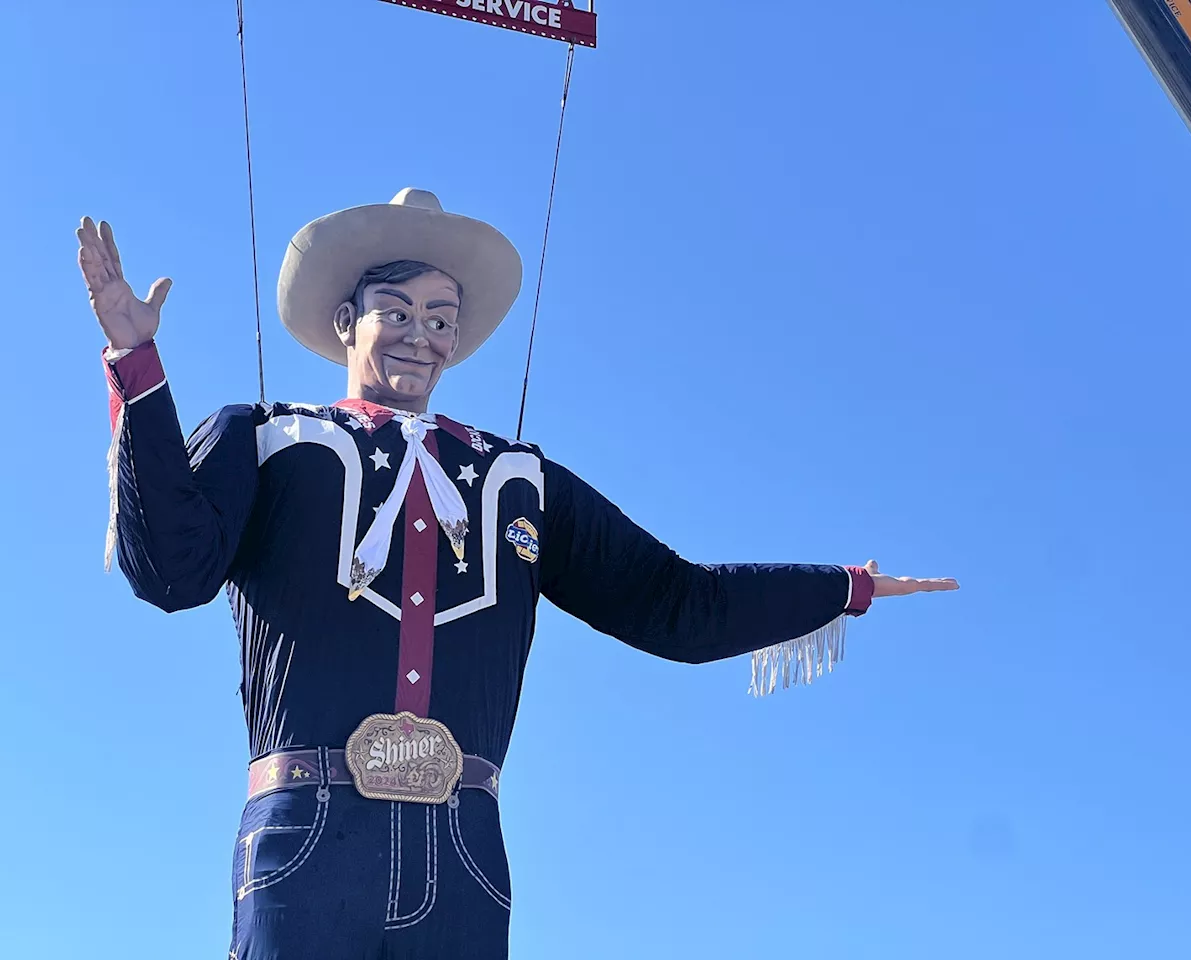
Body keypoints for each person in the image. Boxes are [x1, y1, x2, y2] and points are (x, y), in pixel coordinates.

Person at [79, 188, 959, 960]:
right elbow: (169, 569)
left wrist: (843, 586)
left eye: (441, 319)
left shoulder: (522, 481)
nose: (423, 337)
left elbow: (678, 605)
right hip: (308, 834)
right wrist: (137, 365)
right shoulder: (267, 439)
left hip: (465, 843)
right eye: (398, 311)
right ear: (346, 321)